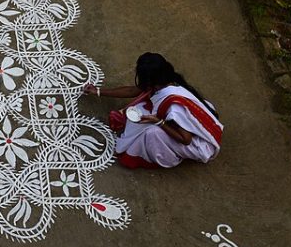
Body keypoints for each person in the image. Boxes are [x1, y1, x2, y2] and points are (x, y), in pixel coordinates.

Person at [82, 52, 222, 169]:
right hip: (186, 123)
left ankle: (167, 158)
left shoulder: (174, 108)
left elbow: (186, 139)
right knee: (141, 109)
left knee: (151, 133)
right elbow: (132, 90)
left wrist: (159, 122)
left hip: (197, 145)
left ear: (150, 80)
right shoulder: (164, 80)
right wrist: (98, 91)